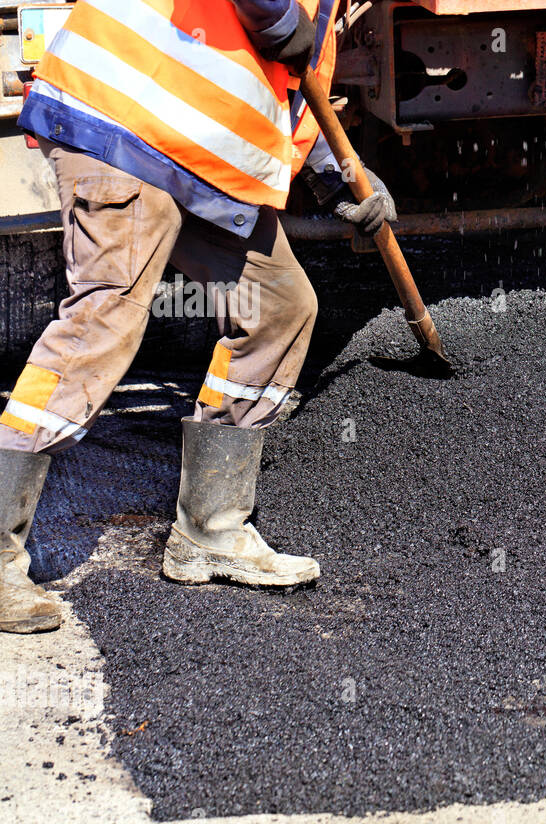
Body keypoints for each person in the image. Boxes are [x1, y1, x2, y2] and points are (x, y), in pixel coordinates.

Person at [0, 1, 396, 633]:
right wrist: (276, 17)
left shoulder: (331, 9)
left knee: (280, 307)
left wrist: (336, 175)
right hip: (123, 121)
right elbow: (267, 28)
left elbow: (279, 92)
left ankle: (211, 529)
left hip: (195, 158)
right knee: (103, 321)